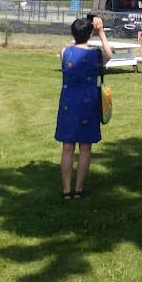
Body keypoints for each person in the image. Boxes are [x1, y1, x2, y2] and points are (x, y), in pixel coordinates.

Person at [54, 16, 112, 200]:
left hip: (68, 102)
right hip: (89, 102)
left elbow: (70, 49)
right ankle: (78, 189)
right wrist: (101, 31)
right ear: (90, 34)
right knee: (85, 148)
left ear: (73, 33)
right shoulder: (95, 55)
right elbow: (109, 54)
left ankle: (66, 190)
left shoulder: (65, 52)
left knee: (67, 147)